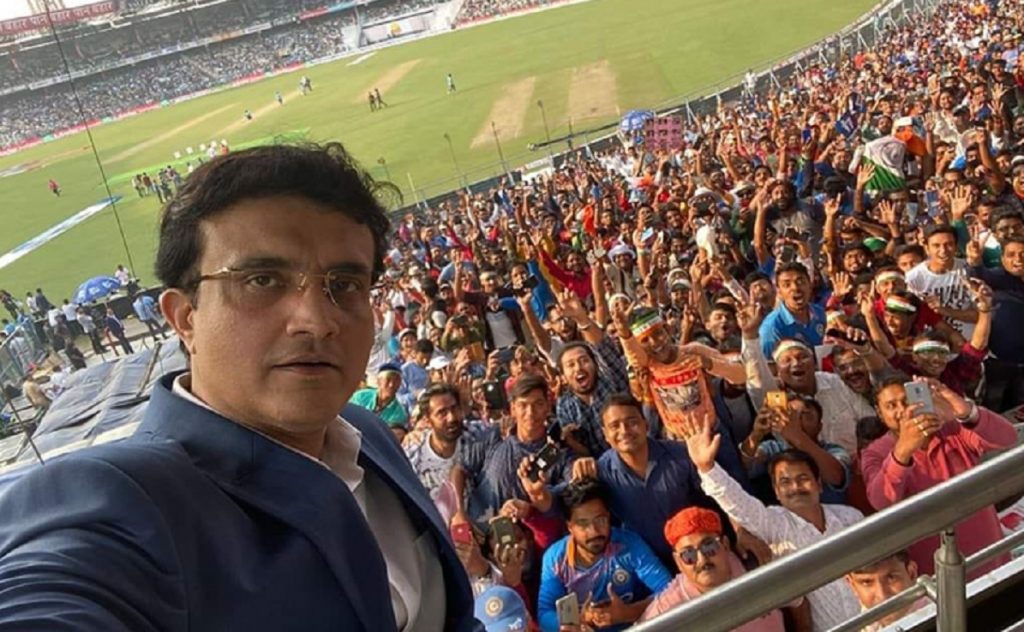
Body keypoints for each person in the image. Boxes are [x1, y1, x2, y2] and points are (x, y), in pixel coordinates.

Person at [0, 142, 477, 630]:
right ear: (184, 317)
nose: (317, 320)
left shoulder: (365, 433)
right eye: (262, 280)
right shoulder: (117, 503)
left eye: (345, 284)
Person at [685, 412, 863, 631]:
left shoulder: (851, 518)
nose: (795, 487)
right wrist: (707, 468)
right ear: (776, 492)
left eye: (803, 479)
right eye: (785, 482)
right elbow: (738, 503)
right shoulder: (775, 525)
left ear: (819, 484)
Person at [570, 394, 754, 567]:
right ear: (605, 434)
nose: (624, 431)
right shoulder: (601, 472)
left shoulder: (680, 455)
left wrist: (740, 530)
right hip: (652, 567)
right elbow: (565, 500)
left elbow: (720, 492)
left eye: (632, 422)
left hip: (703, 556)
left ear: (645, 424)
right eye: (614, 426)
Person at [862, 376, 1018, 578]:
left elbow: (1007, 438)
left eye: (907, 401)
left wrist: (961, 408)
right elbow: (881, 500)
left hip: (991, 559)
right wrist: (903, 449)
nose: (903, 410)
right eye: (891, 405)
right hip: (938, 573)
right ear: (880, 413)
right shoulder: (875, 453)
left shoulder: (952, 429)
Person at [536, 480, 672, 632]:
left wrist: (628, 613)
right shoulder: (556, 559)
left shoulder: (628, 545)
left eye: (600, 520)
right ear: (570, 526)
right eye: (583, 524)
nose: (594, 531)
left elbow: (669, 590)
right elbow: (544, 614)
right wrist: (579, 621)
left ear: (608, 516)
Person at [638, 506, 795, 629]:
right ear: (678, 562)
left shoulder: (754, 564)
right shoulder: (667, 610)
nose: (702, 559)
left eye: (709, 546)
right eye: (688, 554)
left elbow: (798, 601)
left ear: (725, 545)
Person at [845, 551, 927, 632]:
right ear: (853, 586)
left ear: (911, 574)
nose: (882, 595)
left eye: (891, 577)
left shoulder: (932, 612)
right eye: (867, 582)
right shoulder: (865, 623)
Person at [349, 362, 410, 439]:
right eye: (388, 380)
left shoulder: (399, 413)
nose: (391, 385)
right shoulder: (360, 396)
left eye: (396, 381)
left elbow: (383, 436)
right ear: (379, 381)